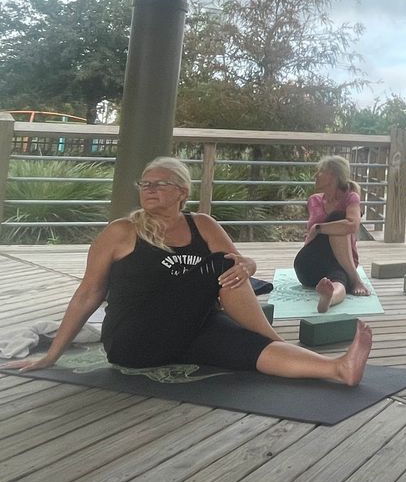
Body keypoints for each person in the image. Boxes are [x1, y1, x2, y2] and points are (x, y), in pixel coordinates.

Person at [3, 157, 372, 384]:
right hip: (136, 338)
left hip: (193, 328)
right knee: (221, 265)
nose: (148, 189)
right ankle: (275, 336)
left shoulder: (203, 224)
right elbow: (88, 293)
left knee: (252, 346)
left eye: (159, 184)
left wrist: (245, 265)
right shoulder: (122, 231)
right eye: (144, 184)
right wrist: (52, 355)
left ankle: (336, 369)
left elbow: (245, 266)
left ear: (181, 191)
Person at [293, 155, 371, 313]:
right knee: (337, 220)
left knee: (340, 282)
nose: (315, 176)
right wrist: (317, 230)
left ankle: (328, 298)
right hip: (308, 264)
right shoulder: (313, 200)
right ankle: (355, 278)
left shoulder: (350, 198)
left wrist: (318, 228)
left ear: (334, 175)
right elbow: (316, 238)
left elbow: (352, 225)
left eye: (321, 171)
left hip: (339, 264)